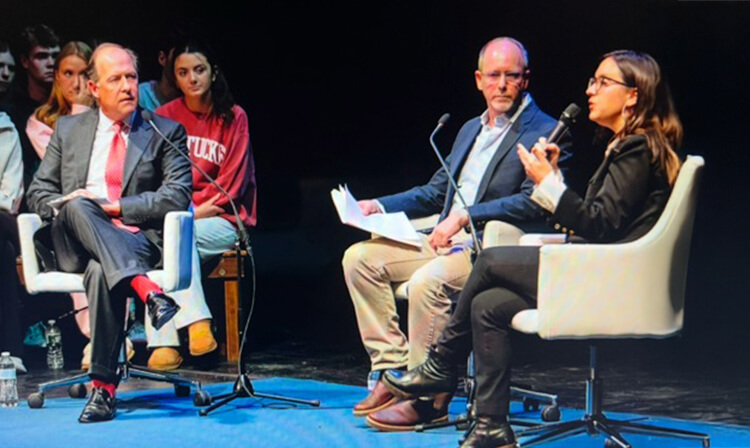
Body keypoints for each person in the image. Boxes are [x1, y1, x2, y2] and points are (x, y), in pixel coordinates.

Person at [382, 50, 682, 448]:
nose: (590, 91)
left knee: (489, 260)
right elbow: (598, 218)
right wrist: (553, 179)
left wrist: (549, 186)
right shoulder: (626, 146)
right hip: (600, 266)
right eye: (592, 81)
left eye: (602, 82)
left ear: (633, 95)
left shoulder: (638, 148)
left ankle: (441, 364)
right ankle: (492, 427)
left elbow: (601, 225)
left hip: (612, 276)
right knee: (488, 303)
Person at [343, 37, 572, 430]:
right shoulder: (469, 129)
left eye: (511, 76)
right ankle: (393, 370)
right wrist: (377, 205)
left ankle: (428, 399)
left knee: (427, 283)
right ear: (479, 80)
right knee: (360, 259)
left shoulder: (548, 131)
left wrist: (467, 217)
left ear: (526, 80)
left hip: (490, 248)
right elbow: (436, 191)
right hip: (442, 238)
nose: (502, 85)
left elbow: (536, 202)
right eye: (494, 76)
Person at [26, 43, 192, 423]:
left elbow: (178, 194)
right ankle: (148, 292)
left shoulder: (163, 130)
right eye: (115, 79)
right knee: (81, 203)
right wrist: (80, 203)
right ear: (94, 87)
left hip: (134, 241)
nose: (126, 86)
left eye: (131, 77)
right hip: (73, 243)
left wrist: (115, 208)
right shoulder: (68, 130)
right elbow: (38, 193)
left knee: (103, 270)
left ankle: (104, 389)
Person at [150, 40, 255, 369]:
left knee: (178, 236)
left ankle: (195, 323)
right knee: (162, 239)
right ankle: (165, 341)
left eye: (199, 70)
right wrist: (186, 212)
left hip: (223, 220)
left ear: (213, 73)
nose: (192, 78)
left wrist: (194, 211)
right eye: (183, 73)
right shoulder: (163, 117)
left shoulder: (233, 117)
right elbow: (156, 179)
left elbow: (233, 183)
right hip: (181, 216)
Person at [0, 25, 61, 189]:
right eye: (42, 56)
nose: (51, 63)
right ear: (25, 61)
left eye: (55, 56)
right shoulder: (11, 110)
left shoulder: (67, 106)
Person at [0, 110, 25, 372]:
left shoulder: (5, 129)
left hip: (4, 217)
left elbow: (11, 196)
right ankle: (9, 351)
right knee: (4, 253)